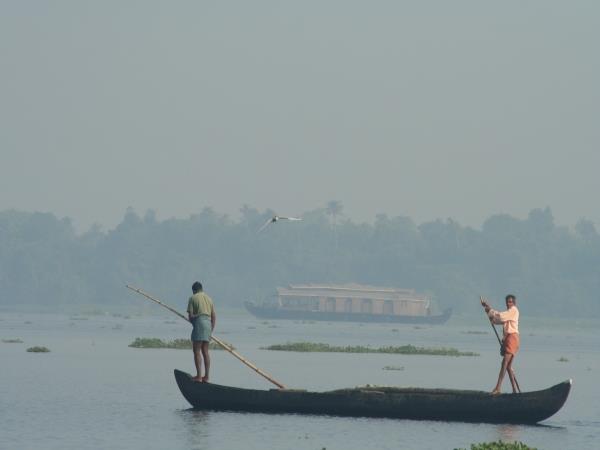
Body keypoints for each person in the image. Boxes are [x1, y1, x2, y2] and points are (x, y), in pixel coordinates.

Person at [481, 295, 520, 394]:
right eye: (507, 302)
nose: (508, 303)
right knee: (508, 366)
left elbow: (501, 316)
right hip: (507, 339)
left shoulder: (513, 310)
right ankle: (514, 390)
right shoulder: (508, 314)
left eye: (510, 302)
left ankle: (498, 388)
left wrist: (490, 309)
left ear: (514, 303)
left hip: (512, 338)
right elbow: (496, 320)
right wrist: (488, 312)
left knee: (504, 364)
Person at [187, 281, 216, 383]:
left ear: (194, 290)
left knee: (197, 351)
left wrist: (194, 319)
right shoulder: (209, 299)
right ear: (201, 289)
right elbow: (213, 316)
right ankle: (206, 377)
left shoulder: (192, 298)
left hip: (199, 323)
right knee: (205, 351)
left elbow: (190, 317)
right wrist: (211, 330)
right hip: (208, 324)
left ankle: (199, 377)